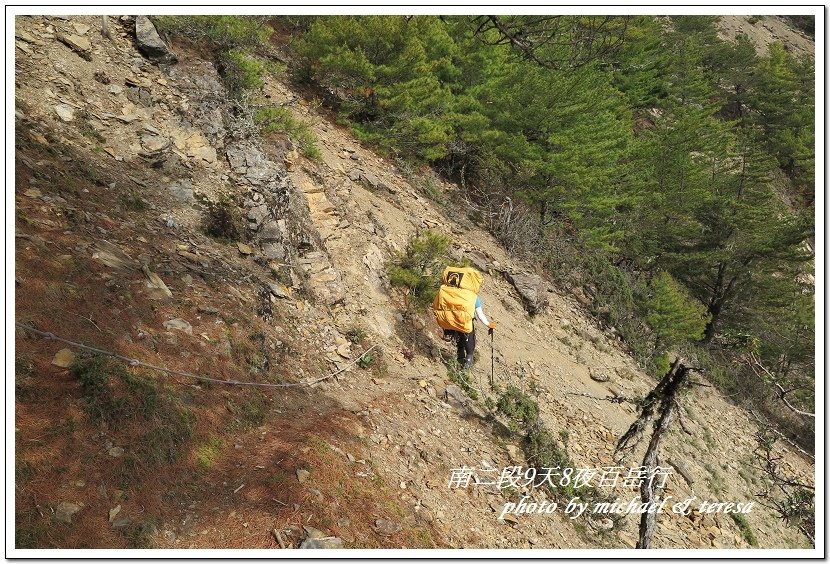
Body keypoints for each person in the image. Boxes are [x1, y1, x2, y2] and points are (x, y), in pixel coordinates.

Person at [433, 266, 497, 370]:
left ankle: (459, 357)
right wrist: (489, 324)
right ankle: (466, 365)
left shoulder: (445, 291)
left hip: (449, 323)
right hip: (464, 323)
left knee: (459, 339)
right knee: (470, 341)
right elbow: (480, 315)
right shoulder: (472, 297)